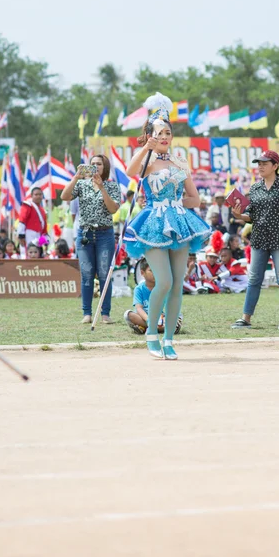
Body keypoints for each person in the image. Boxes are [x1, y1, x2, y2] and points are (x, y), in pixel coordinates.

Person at [124, 94, 211, 359]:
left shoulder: (180, 162)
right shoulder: (147, 161)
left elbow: (195, 198)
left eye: (168, 132)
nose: (164, 136)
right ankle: (152, 334)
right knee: (162, 282)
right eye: (159, 133)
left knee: (177, 285)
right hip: (153, 224)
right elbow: (130, 171)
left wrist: (174, 203)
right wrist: (145, 147)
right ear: (150, 134)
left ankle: (169, 339)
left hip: (179, 222)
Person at [230, 150, 279, 330]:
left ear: (275, 166)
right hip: (259, 238)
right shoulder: (254, 188)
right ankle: (246, 318)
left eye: (264, 163)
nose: (260, 166)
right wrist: (239, 215)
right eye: (258, 163)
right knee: (254, 278)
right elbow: (252, 216)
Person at [61, 154, 121, 324]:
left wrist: (102, 188)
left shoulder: (112, 186)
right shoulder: (81, 185)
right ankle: (86, 313)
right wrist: (75, 177)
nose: (96, 166)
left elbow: (112, 209)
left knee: (104, 274)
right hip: (85, 234)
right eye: (93, 164)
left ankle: (105, 313)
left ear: (105, 167)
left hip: (105, 234)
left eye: (99, 164)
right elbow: (64, 196)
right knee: (87, 274)